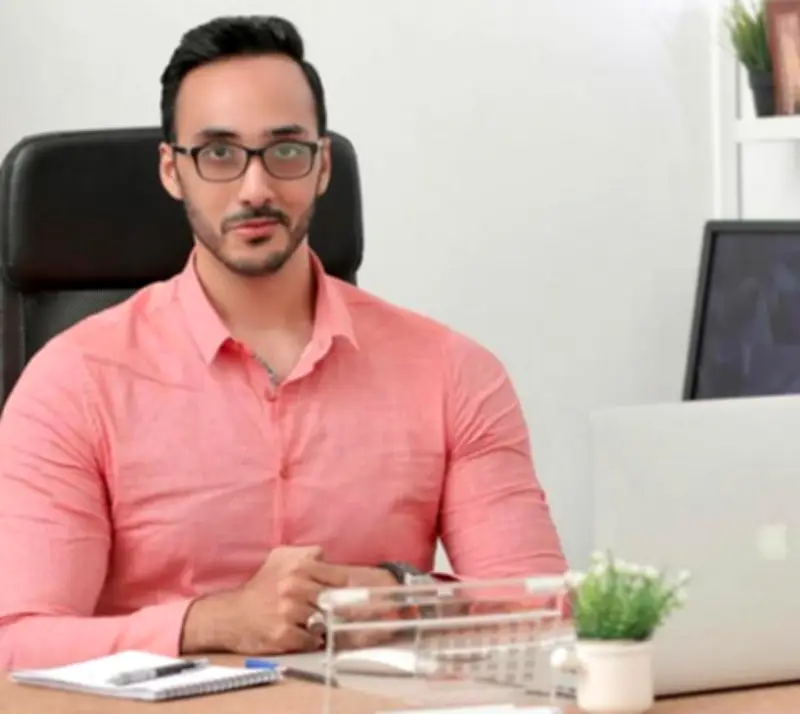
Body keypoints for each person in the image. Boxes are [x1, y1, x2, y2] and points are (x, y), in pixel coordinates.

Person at [0, 15, 566, 671]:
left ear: (322, 166)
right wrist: (213, 622)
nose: (256, 189)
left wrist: (404, 598)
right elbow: (14, 641)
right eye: (218, 153)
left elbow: (544, 618)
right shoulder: (74, 382)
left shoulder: (453, 373)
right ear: (171, 171)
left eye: (286, 150)